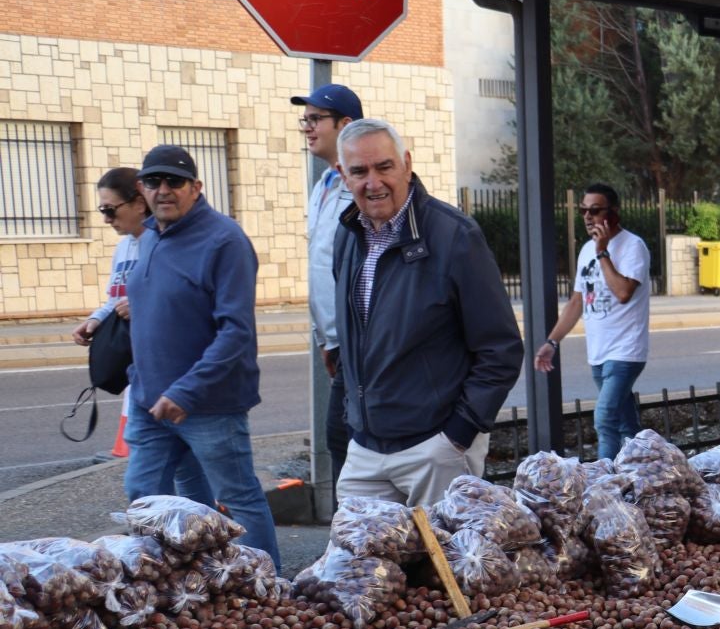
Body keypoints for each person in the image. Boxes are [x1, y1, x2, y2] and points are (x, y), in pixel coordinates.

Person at [332, 118, 523, 505]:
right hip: (366, 450)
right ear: (342, 175)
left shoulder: (454, 236)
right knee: (357, 565)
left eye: (384, 167)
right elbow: (355, 338)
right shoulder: (347, 236)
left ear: (405, 163)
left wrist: (458, 434)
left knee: (446, 565)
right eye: (359, 171)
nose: (373, 182)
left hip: (435, 450)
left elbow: (500, 349)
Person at [121, 145, 281, 569]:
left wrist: (186, 391)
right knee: (145, 495)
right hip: (150, 402)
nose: (164, 190)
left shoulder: (224, 240)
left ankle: (269, 587)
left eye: (175, 181)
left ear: (196, 187)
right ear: (141, 189)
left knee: (239, 498)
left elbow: (236, 331)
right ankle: (176, 586)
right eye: (153, 182)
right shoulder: (151, 234)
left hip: (208, 404)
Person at [73, 168, 213, 496]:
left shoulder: (165, 243)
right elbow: (116, 298)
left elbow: (188, 300)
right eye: (102, 211)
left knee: (192, 475)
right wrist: (96, 319)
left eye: (110, 209)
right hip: (141, 375)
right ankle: (184, 535)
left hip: (174, 372)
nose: (106, 219)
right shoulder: (124, 248)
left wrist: (144, 308)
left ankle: (194, 535)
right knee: (168, 474)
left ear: (138, 204)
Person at [534, 183, 651, 460]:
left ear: (614, 213)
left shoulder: (633, 246)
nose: (587, 217)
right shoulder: (587, 249)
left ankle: (605, 484)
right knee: (626, 425)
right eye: (583, 210)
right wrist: (552, 341)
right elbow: (577, 301)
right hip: (598, 352)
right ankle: (651, 466)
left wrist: (603, 252)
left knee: (604, 418)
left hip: (626, 351)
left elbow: (623, 292)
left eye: (595, 210)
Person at [293, 82, 362, 490]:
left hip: (360, 340)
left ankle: (358, 538)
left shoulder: (359, 184)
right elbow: (321, 265)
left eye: (316, 119)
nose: (308, 127)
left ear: (346, 124)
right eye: (306, 119)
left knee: (344, 438)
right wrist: (324, 336)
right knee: (345, 440)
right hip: (336, 341)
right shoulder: (323, 186)